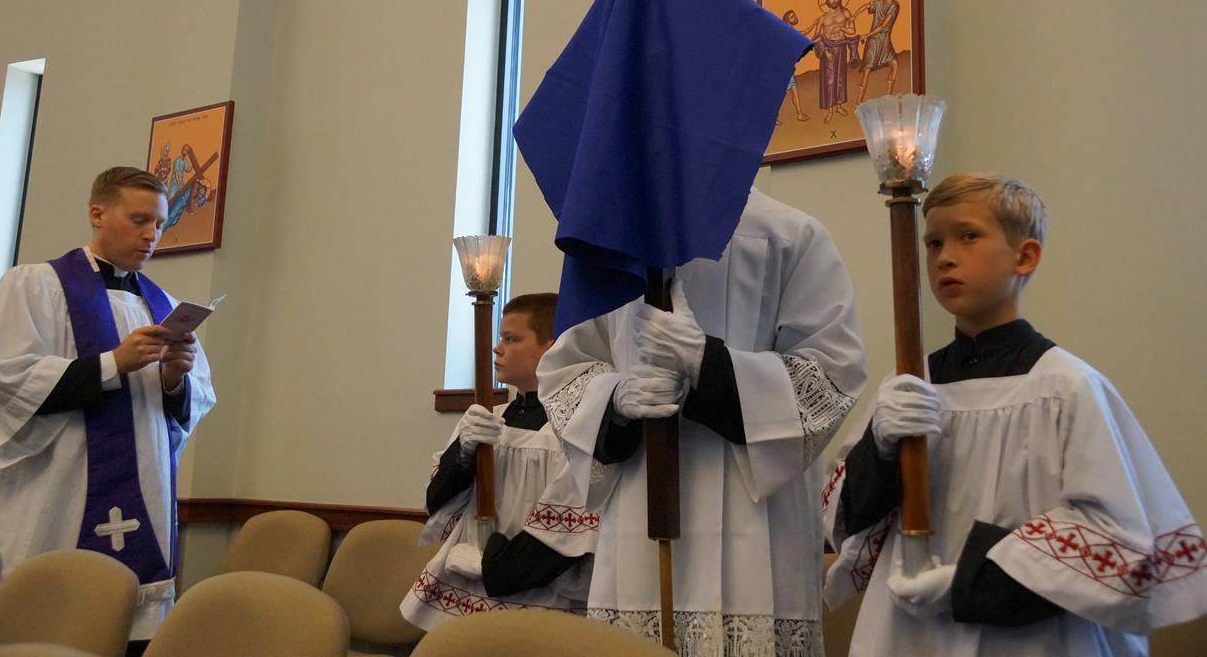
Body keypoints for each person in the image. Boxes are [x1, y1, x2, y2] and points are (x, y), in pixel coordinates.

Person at [822, 173, 1207, 656]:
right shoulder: (910, 385)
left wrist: (971, 578)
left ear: (1024, 256)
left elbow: (1110, 534)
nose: (944, 257)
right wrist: (879, 447)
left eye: (968, 236)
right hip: (910, 630)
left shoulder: (1066, 387)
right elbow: (844, 522)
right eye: (933, 242)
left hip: (1035, 635)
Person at [537, 187, 866, 655]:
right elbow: (565, 371)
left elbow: (829, 380)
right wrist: (615, 400)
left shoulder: (789, 234)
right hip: (637, 516)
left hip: (757, 526)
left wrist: (706, 363)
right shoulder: (607, 244)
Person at [0, 167, 216, 656]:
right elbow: (5, 378)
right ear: (97, 214)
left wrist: (175, 377)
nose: (152, 234)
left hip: (145, 494)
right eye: (138, 220)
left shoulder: (163, 305)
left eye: (159, 223)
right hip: (56, 492)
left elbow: (186, 407)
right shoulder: (34, 286)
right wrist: (113, 363)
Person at [402, 292, 598, 630]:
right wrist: (463, 453)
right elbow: (436, 501)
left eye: (512, 338)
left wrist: (493, 566)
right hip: (469, 587)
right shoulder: (487, 419)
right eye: (499, 338)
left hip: (539, 593)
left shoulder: (575, 427)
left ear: (550, 347)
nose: (497, 348)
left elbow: (572, 527)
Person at [803, 0, 858, 123]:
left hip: (840, 47)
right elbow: (816, 37)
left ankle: (839, 106)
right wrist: (825, 51)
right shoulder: (823, 18)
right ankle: (830, 110)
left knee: (840, 77)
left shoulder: (846, 13)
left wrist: (842, 27)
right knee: (829, 80)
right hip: (827, 50)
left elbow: (852, 31)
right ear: (827, 0)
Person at [853, 0, 901, 103]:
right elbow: (866, 6)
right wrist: (854, 16)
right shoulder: (878, 4)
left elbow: (883, 25)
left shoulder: (894, 6)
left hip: (884, 39)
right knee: (867, 68)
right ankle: (859, 100)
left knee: (894, 64)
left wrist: (866, 35)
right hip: (874, 41)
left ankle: (889, 95)